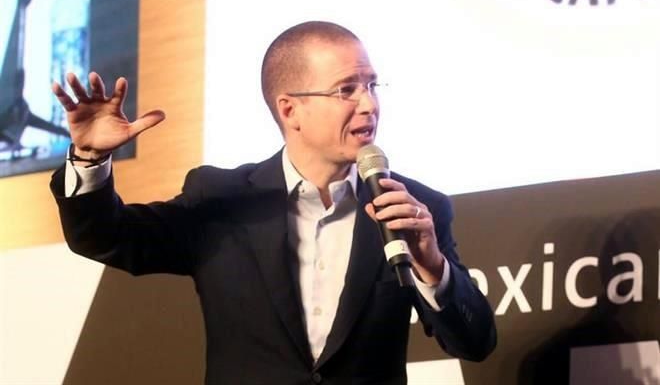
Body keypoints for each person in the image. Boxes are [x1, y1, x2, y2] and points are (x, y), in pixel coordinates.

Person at [50, 21, 496, 384]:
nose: (369, 104)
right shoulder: (221, 199)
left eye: (372, 85)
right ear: (289, 110)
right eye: (346, 89)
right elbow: (107, 237)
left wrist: (432, 266)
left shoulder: (414, 207)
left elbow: (475, 342)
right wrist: (89, 158)